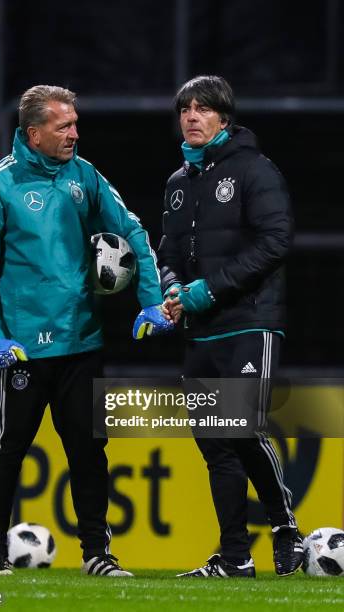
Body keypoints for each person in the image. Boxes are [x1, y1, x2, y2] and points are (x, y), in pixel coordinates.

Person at [0, 85, 171, 576]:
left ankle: (98, 555)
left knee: (89, 453)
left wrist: (152, 301)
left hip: (82, 341)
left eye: (75, 123)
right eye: (63, 126)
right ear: (34, 133)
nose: (75, 133)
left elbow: (133, 229)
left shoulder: (85, 176)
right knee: (9, 447)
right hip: (23, 350)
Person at [159, 75, 303, 578]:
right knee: (216, 443)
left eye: (203, 109)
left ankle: (285, 526)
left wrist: (207, 290)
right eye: (185, 110)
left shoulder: (255, 170)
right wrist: (174, 289)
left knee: (239, 427)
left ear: (224, 118)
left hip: (249, 322)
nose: (192, 117)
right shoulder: (178, 184)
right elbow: (168, 253)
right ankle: (235, 557)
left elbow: (275, 242)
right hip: (201, 330)